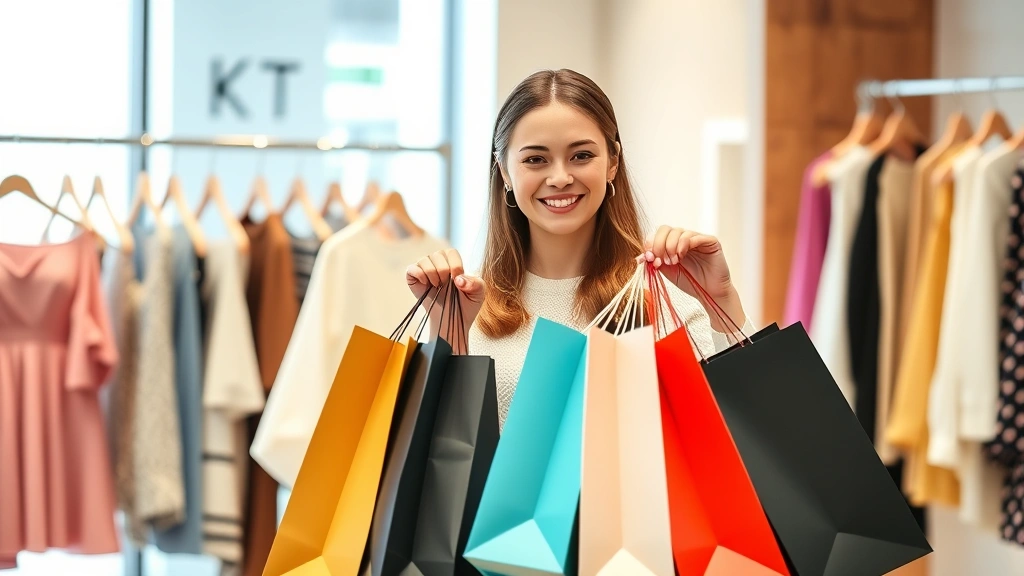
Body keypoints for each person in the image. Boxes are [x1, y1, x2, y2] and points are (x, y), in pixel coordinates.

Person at [406, 69, 752, 429]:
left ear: (612, 162)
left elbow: (747, 439)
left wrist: (721, 299)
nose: (559, 178)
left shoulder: (667, 306)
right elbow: (432, 459)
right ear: (504, 171)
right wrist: (447, 334)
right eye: (535, 159)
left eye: (581, 155)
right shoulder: (463, 307)